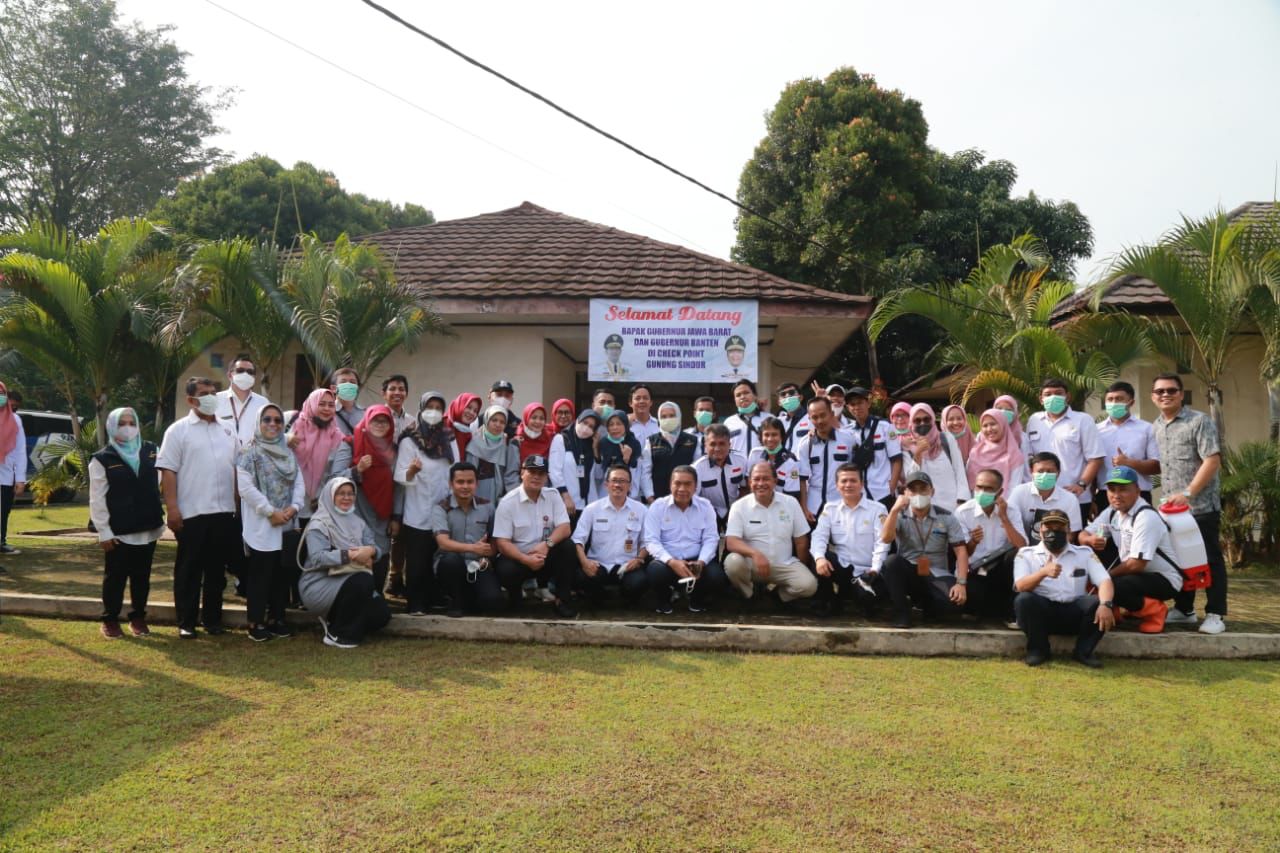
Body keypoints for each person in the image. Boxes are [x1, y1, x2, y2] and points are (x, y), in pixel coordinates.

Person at [157, 377, 240, 638]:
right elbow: (168, 470)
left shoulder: (228, 429)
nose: (211, 397)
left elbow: (238, 469)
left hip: (224, 512)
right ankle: (186, 622)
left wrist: (238, 505)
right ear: (191, 400)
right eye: (204, 393)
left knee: (216, 571)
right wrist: (172, 509)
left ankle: (213, 621)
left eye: (213, 392)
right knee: (189, 569)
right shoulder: (178, 430)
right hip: (192, 513)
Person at [1149, 373, 1227, 633]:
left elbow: (1212, 460)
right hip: (1171, 511)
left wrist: (1189, 492)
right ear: (1153, 397)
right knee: (1182, 561)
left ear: (1181, 394)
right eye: (1160, 391)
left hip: (1200, 507)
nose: (1166, 395)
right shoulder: (1157, 426)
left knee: (1210, 560)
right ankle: (1185, 610)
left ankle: (1216, 613)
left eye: (1171, 390)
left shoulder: (1199, 421)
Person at [1079, 465, 1185, 635]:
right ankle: (1117, 612)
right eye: (1112, 489)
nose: (1116, 495)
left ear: (1137, 490)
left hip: (1164, 579)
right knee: (1089, 570)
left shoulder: (1145, 517)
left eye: (1123, 489)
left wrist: (1104, 579)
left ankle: (1155, 611)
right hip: (1138, 575)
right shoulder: (1113, 511)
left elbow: (1137, 564)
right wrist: (1090, 539)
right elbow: (1083, 535)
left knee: (1112, 586)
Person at [89, 407, 164, 639]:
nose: (128, 427)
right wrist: (104, 531)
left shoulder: (152, 450)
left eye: (132, 423)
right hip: (118, 531)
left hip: (148, 527)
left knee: (142, 577)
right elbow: (97, 498)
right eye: (123, 423)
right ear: (112, 426)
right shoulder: (102, 459)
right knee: (115, 577)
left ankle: (138, 617)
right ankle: (110, 619)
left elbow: (159, 484)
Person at [235, 404, 305, 642]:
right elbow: (245, 488)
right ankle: (256, 623)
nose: (273, 424)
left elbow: (298, 483)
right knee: (260, 575)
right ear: (258, 422)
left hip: (285, 520)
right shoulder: (248, 453)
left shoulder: (288, 452)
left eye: (277, 420)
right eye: (267, 420)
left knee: (280, 575)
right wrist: (270, 512)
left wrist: (294, 507)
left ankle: (278, 619)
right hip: (262, 523)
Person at [1013, 508, 1115, 667]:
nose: (1054, 533)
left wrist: (1105, 604)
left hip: (1073, 612)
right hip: (1042, 614)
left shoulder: (1084, 553)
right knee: (1024, 600)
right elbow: (1020, 586)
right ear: (1040, 530)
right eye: (1049, 529)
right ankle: (1038, 650)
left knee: (1098, 602)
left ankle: (1084, 652)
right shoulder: (1026, 554)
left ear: (1068, 531)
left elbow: (1105, 581)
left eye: (1059, 529)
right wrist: (1042, 573)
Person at [299, 478, 391, 649]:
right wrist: (351, 555)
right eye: (341, 494)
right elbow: (318, 558)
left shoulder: (358, 522)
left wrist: (371, 551)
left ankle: (338, 619)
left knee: (381, 615)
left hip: (348, 581)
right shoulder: (319, 524)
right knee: (363, 580)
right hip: (319, 583)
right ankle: (338, 635)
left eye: (350, 494)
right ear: (330, 496)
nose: (346, 498)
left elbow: (374, 547)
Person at [325, 405, 402, 595]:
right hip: (355, 511)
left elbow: (399, 485)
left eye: (384, 421)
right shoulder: (350, 443)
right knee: (357, 556)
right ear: (366, 421)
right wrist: (356, 470)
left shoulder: (393, 449)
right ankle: (357, 599)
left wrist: (396, 516)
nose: (380, 424)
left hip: (382, 514)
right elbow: (333, 479)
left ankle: (376, 599)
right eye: (375, 420)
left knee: (381, 554)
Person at [878, 471, 971, 629]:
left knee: (954, 604)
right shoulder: (899, 515)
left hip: (935, 573)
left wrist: (961, 583)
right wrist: (894, 510)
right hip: (909, 570)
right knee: (891, 562)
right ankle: (902, 613)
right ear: (905, 492)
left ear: (932, 491)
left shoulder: (947, 517)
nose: (918, 494)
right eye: (913, 490)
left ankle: (929, 608)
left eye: (923, 489)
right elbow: (886, 538)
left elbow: (961, 551)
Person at [491, 454, 578, 618]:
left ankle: (562, 600)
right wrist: (525, 559)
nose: (537, 477)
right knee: (505, 569)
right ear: (522, 473)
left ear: (547, 477)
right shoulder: (508, 502)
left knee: (567, 548)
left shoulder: (552, 496)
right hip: (518, 558)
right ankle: (515, 595)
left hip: (545, 553)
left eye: (541, 473)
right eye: (532, 472)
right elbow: (502, 542)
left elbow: (565, 527)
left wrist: (546, 545)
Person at [724, 461, 816, 605]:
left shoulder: (790, 503)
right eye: (756, 479)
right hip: (752, 565)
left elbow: (801, 540)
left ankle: (776, 597)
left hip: (783, 564)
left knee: (809, 585)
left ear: (775, 481)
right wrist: (756, 554)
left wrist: (802, 565)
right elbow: (731, 541)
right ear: (750, 482)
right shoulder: (739, 506)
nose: (761, 483)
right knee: (732, 562)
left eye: (766, 478)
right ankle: (750, 595)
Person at [395, 392, 454, 614]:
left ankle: (433, 598)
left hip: (441, 507)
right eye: (430, 406)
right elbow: (399, 475)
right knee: (417, 560)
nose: (434, 411)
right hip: (417, 508)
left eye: (439, 407)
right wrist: (411, 471)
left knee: (434, 556)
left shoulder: (447, 438)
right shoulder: (410, 439)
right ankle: (415, 602)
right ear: (421, 408)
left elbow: (453, 469)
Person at [644, 465, 726, 614]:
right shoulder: (657, 506)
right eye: (677, 483)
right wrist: (671, 561)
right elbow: (651, 541)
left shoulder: (705, 506)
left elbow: (711, 538)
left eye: (688, 484)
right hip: (668, 562)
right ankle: (664, 600)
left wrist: (701, 562)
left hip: (696, 561)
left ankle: (697, 600)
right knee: (655, 571)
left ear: (696, 486)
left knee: (716, 576)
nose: (682, 488)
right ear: (670, 485)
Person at [810, 464, 889, 617]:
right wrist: (819, 558)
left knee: (867, 602)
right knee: (818, 557)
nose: (848, 485)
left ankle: (852, 597)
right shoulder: (830, 509)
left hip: (868, 572)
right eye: (844, 481)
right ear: (837, 485)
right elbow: (819, 536)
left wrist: (875, 569)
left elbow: (883, 543)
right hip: (843, 569)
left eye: (853, 481)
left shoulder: (878, 509)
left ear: (862, 484)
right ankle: (828, 601)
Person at [1025, 377, 1105, 521]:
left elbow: (1095, 458)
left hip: (1074, 497)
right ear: (1041, 399)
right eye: (1048, 394)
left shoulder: (1083, 420)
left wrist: (1081, 485)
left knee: (1072, 539)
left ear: (1067, 396)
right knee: (1042, 539)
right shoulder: (1034, 420)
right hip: (1041, 497)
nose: (1053, 397)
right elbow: (1031, 457)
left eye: (1058, 393)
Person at [955, 467, 1026, 624]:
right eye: (979, 487)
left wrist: (1004, 518)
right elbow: (961, 553)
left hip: (1000, 570)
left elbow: (1022, 547)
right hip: (975, 570)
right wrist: (973, 541)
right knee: (972, 606)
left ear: (999, 492)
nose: (982, 492)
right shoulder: (963, 512)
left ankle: (1013, 613)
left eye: (989, 489)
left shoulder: (1011, 511)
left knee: (1015, 556)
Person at [571, 464, 650, 607]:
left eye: (623, 481)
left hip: (627, 566)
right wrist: (584, 562)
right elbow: (578, 540)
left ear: (630, 486)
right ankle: (600, 597)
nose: (618, 485)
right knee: (580, 577)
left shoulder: (641, 510)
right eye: (614, 480)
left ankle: (626, 598)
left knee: (639, 582)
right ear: (607, 484)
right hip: (598, 565)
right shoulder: (592, 509)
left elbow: (647, 542)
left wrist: (639, 559)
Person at [431, 462, 501, 616]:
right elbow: (443, 542)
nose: (465, 486)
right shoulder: (441, 508)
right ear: (451, 484)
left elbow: (494, 540)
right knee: (451, 561)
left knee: (493, 601)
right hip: (450, 565)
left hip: (478, 565)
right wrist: (473, 548)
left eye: (470, 482)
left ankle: (468, 600)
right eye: (460, 482)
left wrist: (489, 557)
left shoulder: (488, 507)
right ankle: (454, 601)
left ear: (476, 484)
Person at [796, 396, 855, 525]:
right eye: (815, 417)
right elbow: (802, 479)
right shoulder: (806, 443)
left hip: (841, 504)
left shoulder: (848, 439)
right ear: (809, 419)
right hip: (814, 506)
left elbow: (855, 473)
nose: (819, 420)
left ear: (832, 414)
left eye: (823, 415)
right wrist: (804, 508)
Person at [381, 374, 413, 598]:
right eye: (392, 389)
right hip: (381, 480)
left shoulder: (412, 421)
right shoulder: (377, 417)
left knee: (399, 531)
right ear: (384, 393)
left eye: (401, 389)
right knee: (381, 530)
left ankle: (395, 578)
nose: (397, 393)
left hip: (403, 481)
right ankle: (377, 578)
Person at [901, 403, 971, 509]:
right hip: (924, 509)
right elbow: (911, 480)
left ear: (933, 420)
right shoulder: (907, 447)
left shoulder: (947, 439)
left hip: (953, 507)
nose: (922, 423)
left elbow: (959, 470)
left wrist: (962, 501)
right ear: (911, 423)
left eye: (926, 419)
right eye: (917, 421)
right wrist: (918, 453)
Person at [1005, 451, 1083, 546]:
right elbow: (1011, 525)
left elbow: (1071, 535)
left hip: (1056, 549)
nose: (1045, 475)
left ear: (1058, 473)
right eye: (1040, 471)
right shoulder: (1019, 492)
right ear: (1031, 472)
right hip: (1022, 548)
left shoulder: (1070, 499)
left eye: (1050, 471)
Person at [844, 385, 901, 507]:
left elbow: (896, 459)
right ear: (848, 408)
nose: (856, 407)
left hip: (883, 492)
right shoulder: (846, 432)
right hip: (858, 494)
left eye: (860, 403)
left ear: (868, 403)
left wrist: (892, 486)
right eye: (852, 405)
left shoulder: (885, 427)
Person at [639, 401, 700, 502]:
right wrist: (650, 497)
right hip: (658, 500)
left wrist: (693, 497)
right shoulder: (651, 441)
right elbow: (646, 472)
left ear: (679, 417)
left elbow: (697, 471)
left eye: (672, 415)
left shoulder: (693, 441)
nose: (668, 419)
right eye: (663, 416)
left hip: (686, 498)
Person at [692, 424, 747, 527]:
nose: (717, 448)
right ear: (705, 446)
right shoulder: (697, 468)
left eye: (722, 444)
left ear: (729, 445)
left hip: (736, 511)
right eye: (712, 444)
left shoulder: (741, 461)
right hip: (708, 514)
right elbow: (695, 499)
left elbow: (745, 488)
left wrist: (737, 508)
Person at [550, 409, 600, 519]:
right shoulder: (562, 439)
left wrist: (595, 449)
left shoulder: (591, 445)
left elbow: (598, 476)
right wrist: (566, 496)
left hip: (589, 505)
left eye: (591, 426)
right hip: (567, 504)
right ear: (577, 420)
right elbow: (554, 471)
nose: (586, 428)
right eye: (585, 422)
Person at [466, 404, 520, 504]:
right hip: (478, 495)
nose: (498, 424)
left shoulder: (506, 443)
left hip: (500, 497)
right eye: (494, 420)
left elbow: (510, 473)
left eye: (502, 422)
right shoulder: (475, 442)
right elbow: (469, 474)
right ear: (487, 420)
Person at [215, 356, 272, 448]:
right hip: (223, 459)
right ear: (230, 375)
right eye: (240, 370)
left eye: (250, 372)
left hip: (253, 460)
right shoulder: (216, 400)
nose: (245, 374)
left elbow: (270, 432)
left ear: (254, 377)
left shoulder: (263, 403)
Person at [966, 408, 1026, 492]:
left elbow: (1014, 489)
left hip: (1003, 503)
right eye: (985, 426)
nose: (989, 429)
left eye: (993, 424)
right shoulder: (975, 452)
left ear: (1003, 425)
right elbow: (969, 485)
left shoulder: (1014, 456)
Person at [0, 380, 27, 556]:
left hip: (5, 476)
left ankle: (1, 542)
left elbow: (20, 451)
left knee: (3, 511)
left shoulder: (15, 420)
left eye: (2, 394)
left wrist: (20, 479)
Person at [746, 416, 802, 499]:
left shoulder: (791, 463)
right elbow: (750, 484)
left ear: (781, 437)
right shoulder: (755, 454)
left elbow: (791, 496)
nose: (770, 439)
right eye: (766, 435)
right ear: (761, 437)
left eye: (774, 434)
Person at [595, 410, 642, 500]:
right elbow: (598, 475)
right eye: (611, 424)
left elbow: (637, 475)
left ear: (626, 425)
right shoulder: (603, 443)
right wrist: (595, 451)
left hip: (629, 495)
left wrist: (627, 460)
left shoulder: (633, 444)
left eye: (619, 424)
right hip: (605, 493)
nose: (615, 428)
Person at [723, 379, 767, 456]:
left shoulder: (769, 419)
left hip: (762, 466)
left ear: (755, 395)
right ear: (735, 400)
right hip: (737, 467)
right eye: (738, 395)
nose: (742, 397)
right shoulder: (728, 422)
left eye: (746, 393)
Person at [329, 367, 366, 436]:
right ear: (333, 388)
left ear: (358, 388)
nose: (348, 385)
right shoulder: (326, 412)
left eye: (352, 382)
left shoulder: (366, 413)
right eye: (343, 382)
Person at [993, 394, 1031, 460]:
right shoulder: (984, 435)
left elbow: (1026, 462)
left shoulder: (1022, 437)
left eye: (1008, 409)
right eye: (999, 408)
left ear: (1015, 413)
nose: (1003, 411)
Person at [447, 392, 483, 461]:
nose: (472, 413)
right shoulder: (442, 425)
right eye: (469, 407)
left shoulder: (467, 434)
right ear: (459, 405)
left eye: (475, 411)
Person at [774, 382, 808, 450]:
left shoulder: (811, 418)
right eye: (783, 394)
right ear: (779, 403)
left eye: (791, 392)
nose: (787, 395)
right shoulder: (778, 422)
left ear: (800, 397)